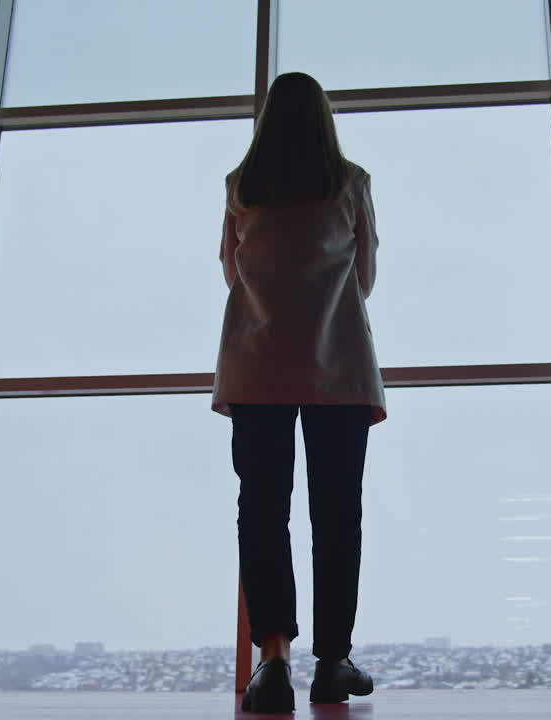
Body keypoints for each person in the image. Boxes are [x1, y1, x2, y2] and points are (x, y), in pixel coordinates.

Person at [211, 72, 386, 713]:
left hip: (256, 364)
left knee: (261, 511)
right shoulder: (352, 183)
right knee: (338, 513)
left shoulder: (241, 187)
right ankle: (334, 661)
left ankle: (272, 661)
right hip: (337, 365)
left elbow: (230, 270)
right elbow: (364, 276)